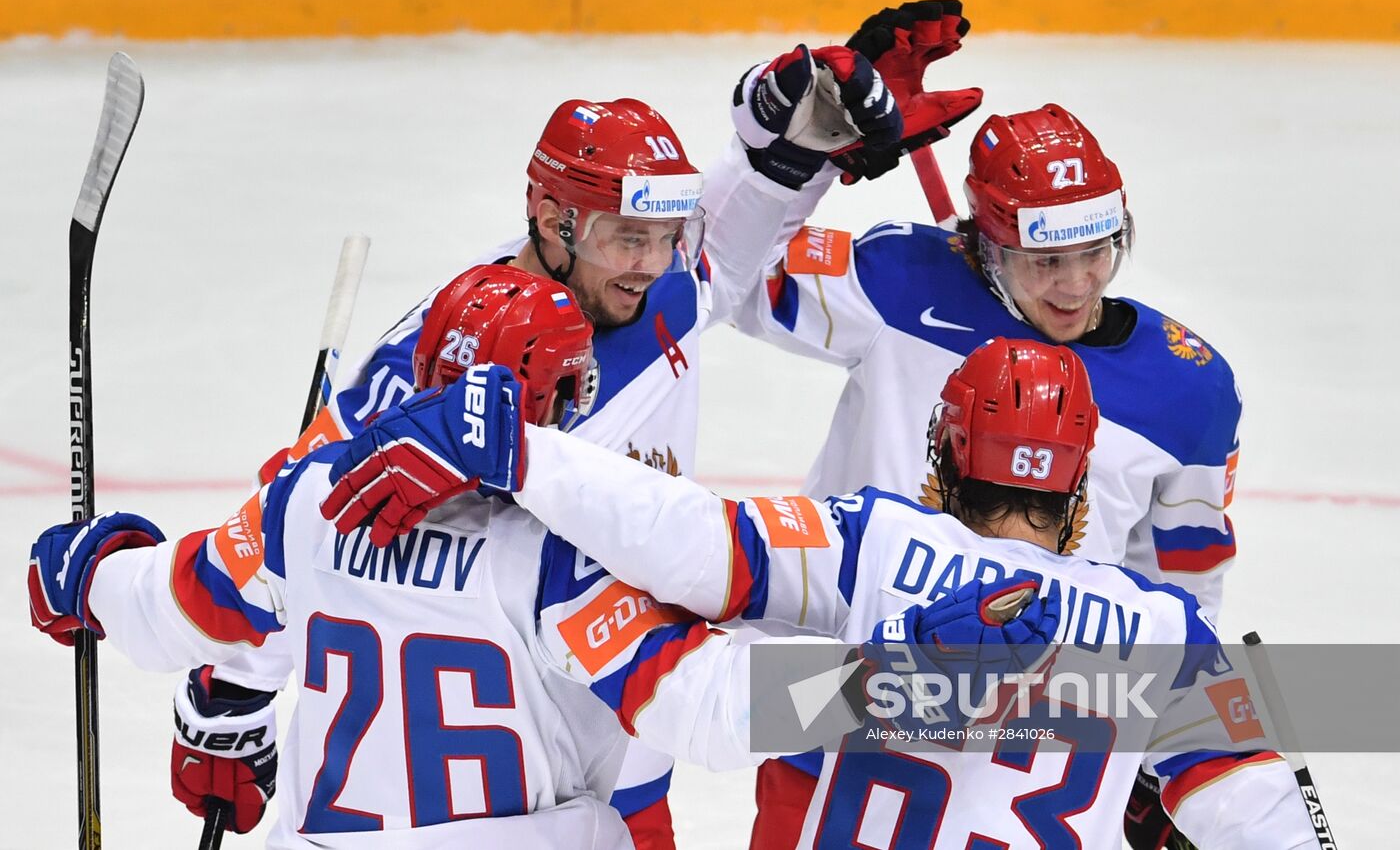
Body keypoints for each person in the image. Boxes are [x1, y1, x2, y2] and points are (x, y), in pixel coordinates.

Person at [160, 53, 946, 845]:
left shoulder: (653, 284)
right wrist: (229, 690)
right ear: (549, 218)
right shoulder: (440, 366)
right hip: (510, 771)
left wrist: (794, 149)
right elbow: (299, 527)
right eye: (627, 238)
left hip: (625, 730)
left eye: (663, 237)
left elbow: (721, 261)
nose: (651, 263)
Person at [27, 265, 1056, 849]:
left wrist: (88, 570)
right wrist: (900, 680)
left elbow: (173, 604)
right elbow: (713, 707)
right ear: (558, 399)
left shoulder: (310, 502)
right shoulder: (563, 554)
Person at [324, 336, 1313, 848]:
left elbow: (688, 538)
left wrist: (521, 451)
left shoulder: (870, 543)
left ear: (941, 460)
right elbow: (1266, 822)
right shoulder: (1165, 633)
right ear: (1079, 491)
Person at [690, 2, 1244, 844]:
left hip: (1032, 748)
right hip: (849, 701)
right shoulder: (902, 282)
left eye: (1096, 251)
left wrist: (1161, 755)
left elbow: (1181, 590)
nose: (1075, 284)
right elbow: (724, 277)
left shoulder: (1187, 389)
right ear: (985, 245)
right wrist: (817, 155)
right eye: (1044, 260)